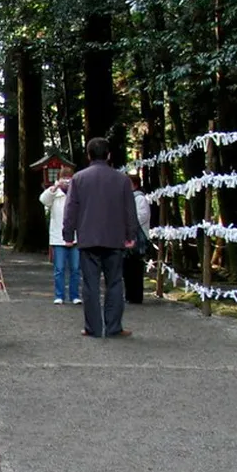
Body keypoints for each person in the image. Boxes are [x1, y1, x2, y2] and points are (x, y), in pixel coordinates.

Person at [62, 138, 138, 338]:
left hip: (88, 238)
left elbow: (71, 210)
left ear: (88, 155)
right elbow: (130, 211)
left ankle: (93, 328)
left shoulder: (78, 179)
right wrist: (131, 235)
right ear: (109, 154)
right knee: (114, 282)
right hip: (114, 238)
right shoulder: (122, 179)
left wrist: (68, 235)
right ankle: (114, 327)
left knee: (90, 284)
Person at [40, 169, 80, 305]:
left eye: (69, 178)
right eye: (64, 178)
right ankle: (59, 295)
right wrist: (55, 187)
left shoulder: (77, 193)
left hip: (75, 237)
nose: (67, 181)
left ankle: (74, 295)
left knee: (75, 268)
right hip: (58, 237)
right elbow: (43, 200)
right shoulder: (54, 194)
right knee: (59, 268)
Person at [123, 173, 152, 304]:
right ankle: (129, 294)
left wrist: (129, 223)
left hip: (137, 236)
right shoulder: (125, 198)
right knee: (127, 267)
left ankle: (136, 295)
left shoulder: (140, 198)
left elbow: (142, 216)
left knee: (136, 267)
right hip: (126, 235)